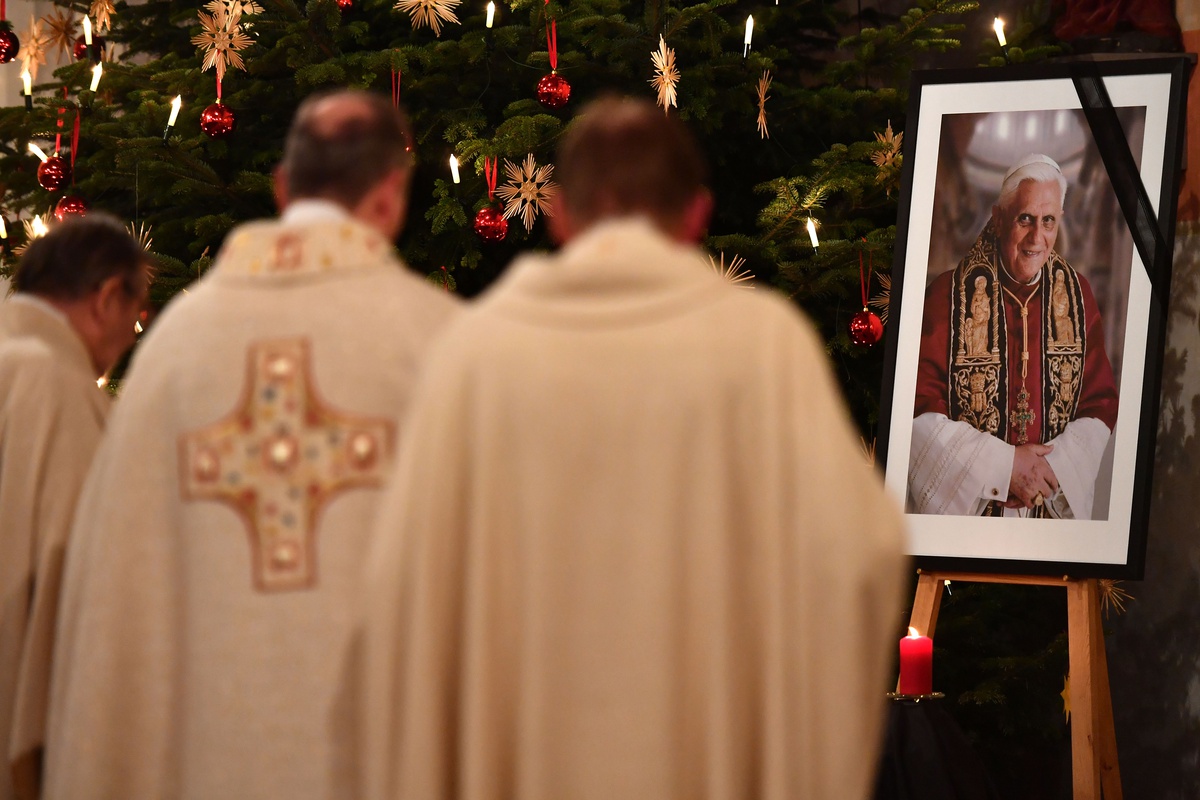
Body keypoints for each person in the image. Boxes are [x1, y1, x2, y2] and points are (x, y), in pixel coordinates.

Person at [359, 95, 907, 800]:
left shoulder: (475, 355)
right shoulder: (761, 346)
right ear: (696, 216)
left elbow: (405, 588)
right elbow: (858, 558)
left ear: (557, 215)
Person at [43, 90, 461, 800]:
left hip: (212, 766)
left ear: (281, 187)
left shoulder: (177, 346)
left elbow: (117, 593)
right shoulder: (439, 342)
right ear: (391, 194)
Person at [0, 214, 149, 800]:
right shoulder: (49, 382)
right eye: (135, 317)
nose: (132, 337)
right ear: (108, 296)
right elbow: (79, 579)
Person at [909, 153, 1119, 519]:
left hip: (1048, 503)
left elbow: (1099, 403)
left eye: (1048, 221)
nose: (1037, 238)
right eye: (1025, 219)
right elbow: (919, 409)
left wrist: (1050, 471)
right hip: (976, 507)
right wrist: (1002, 467)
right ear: (999, 217)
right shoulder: (949, 295)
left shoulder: (1077, 295)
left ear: (1060, 222)